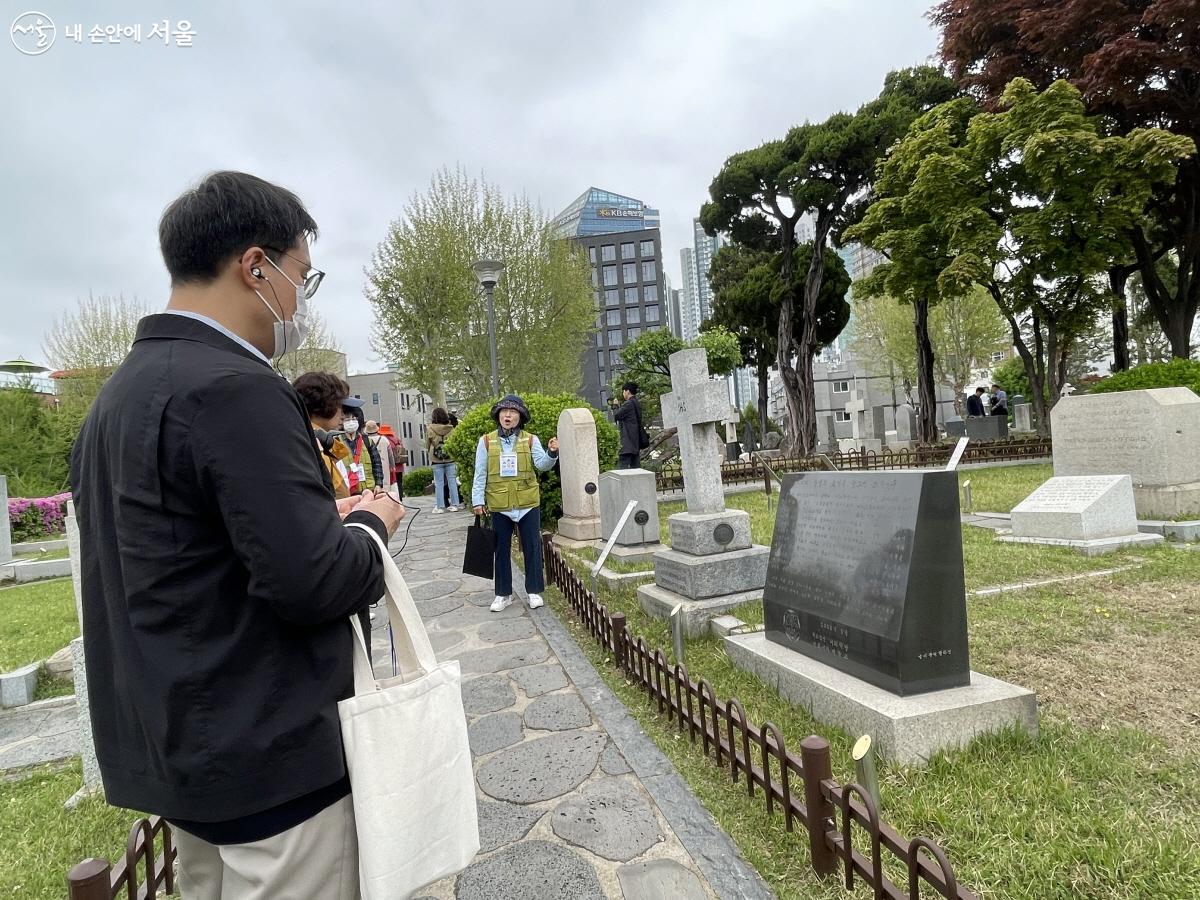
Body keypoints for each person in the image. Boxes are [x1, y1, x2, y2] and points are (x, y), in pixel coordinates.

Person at [69, 171, 406, 900]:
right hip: (272, 757)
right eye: (301, 278)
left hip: (182, 755)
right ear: (256, 267)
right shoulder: (236, 387)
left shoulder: (119, 395)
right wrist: (375, 524)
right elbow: (314, 582)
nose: (298, 303)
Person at [471, 395, 559, 612]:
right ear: (498, 416)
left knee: (532, 547)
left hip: (527, 502)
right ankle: (503, 594)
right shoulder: (486, 441)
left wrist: (552, 453)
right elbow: (480, 473)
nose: (507, 415)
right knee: (501, 550)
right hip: (499, 503)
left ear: (521, 416)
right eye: (504, 412)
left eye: (513, 412)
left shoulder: (530, 439)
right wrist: (477, 500)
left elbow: (542, 465)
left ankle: (534, 591)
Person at [293, 371, 355, 500]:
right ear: (326, 405)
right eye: (340, 406)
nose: (343, 415)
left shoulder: (301, 438)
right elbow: (339, 497)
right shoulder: (316, 448)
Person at [340, 401, 380, 495]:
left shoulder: (367, 441)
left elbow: (377, 463)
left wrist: (379, 484)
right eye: (347, 419)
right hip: (347, 490)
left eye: (353, 419)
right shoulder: (336, 441)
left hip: (368, 488)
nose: (351, 422)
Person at [427, 407, 461, 513]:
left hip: (436, 459)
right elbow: (455, 443)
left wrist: (430, 451)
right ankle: (455, 505)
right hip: (450, 458)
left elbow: (427, 444)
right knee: (452, 482)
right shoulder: (451, 428)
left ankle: (440, 506)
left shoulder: (430, 428)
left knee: (439, 483)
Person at [613, 381, 646, 469]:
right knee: (636, 469)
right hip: (635, 443)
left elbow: (617, 415)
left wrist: (615, 406)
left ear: (627, 391)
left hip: (627, 444)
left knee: (623, 469)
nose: (623, 394)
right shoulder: (636, 403)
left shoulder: (628, 404)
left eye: (623, 391)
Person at [364, 420, 395, 493]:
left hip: (371, 466)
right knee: (385, 489)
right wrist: (392, 465)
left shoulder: (365, 440)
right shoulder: (384, 439)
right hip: (384, 466)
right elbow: (390, 454)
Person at [379, 423, 404, 498]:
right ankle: (400, 498)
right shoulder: (396, 439)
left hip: (390, 466)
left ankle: (393, 498)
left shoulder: (383, 440)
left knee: (391, 484)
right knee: (399, 483)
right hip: (399, 465)